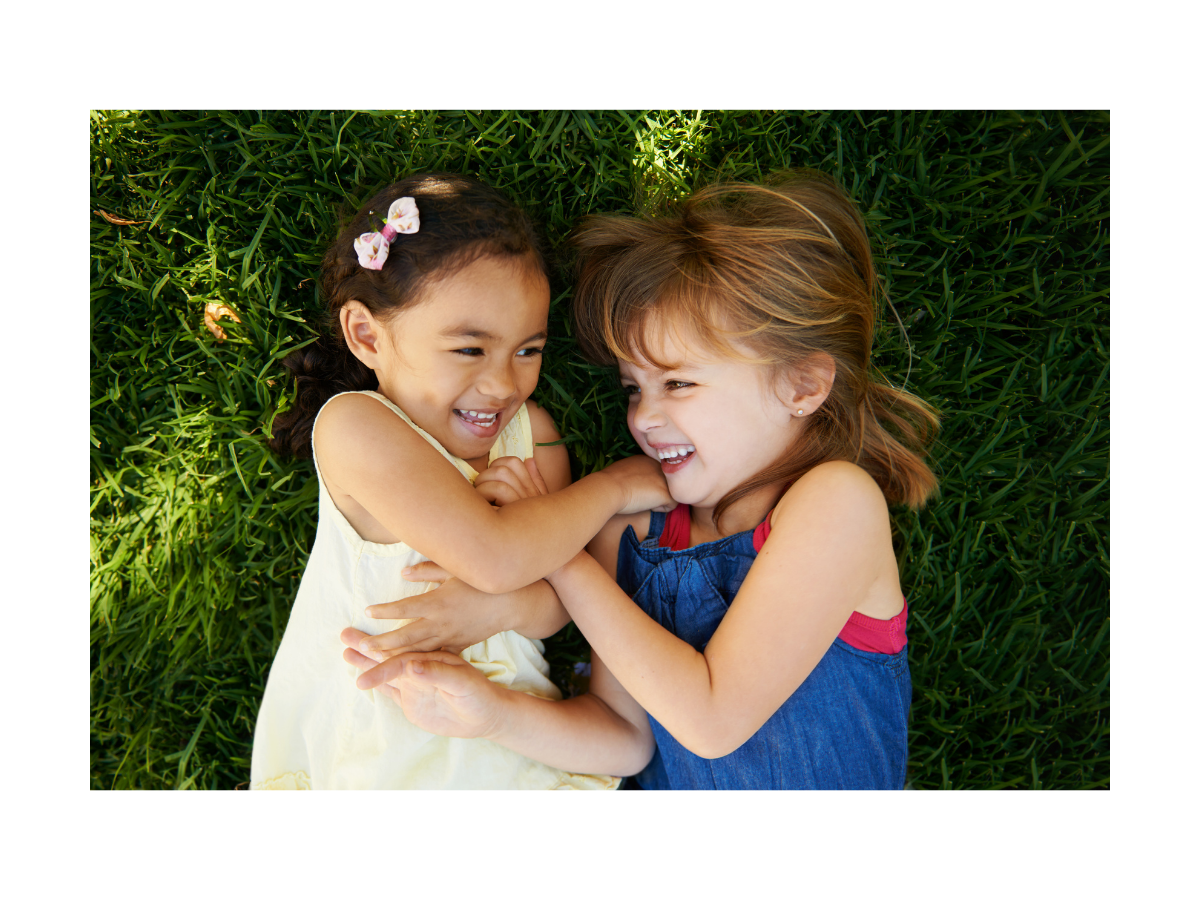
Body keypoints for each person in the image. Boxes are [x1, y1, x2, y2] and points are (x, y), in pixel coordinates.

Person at [345, 171, 940, 790]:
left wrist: (563, 560)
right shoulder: (629, 534)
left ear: (802, 385)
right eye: (633, 389)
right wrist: (493, 715)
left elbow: (711, 720)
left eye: (678, 383)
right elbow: (621, 738)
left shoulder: (835, 503)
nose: (645, 418)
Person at [250, 172, 671, 790]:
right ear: (368, 335)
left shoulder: (533, 434)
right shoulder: (355, 427)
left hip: (510, 741)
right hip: (383, 748)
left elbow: (563, 597)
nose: (503, 384)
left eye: (528, 350)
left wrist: (495, 610)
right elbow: (499, 555)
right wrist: (611, 488)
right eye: (471, 350)